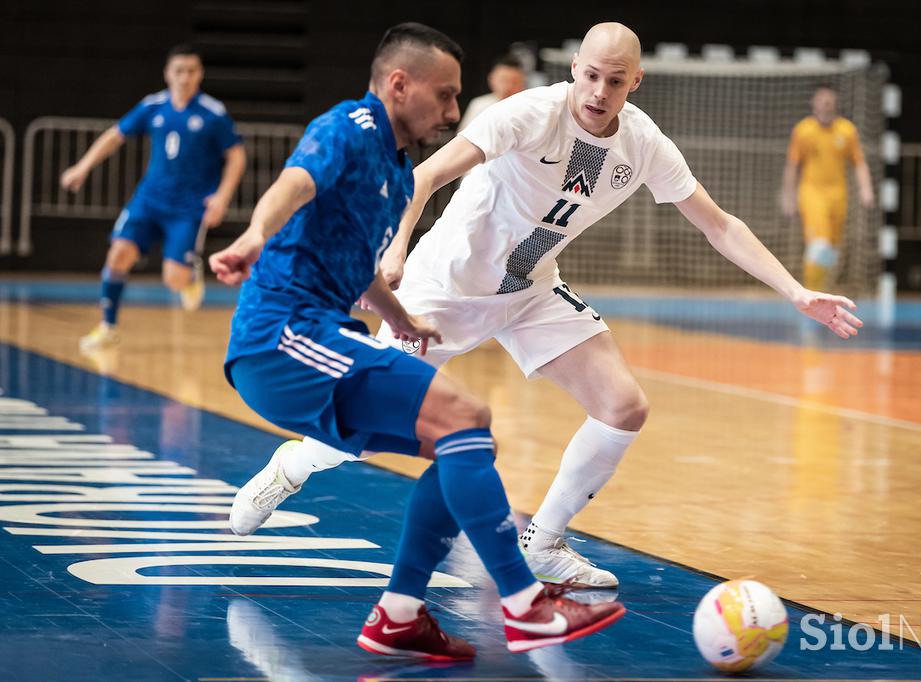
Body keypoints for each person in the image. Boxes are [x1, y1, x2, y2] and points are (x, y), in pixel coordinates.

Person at [368, 22, 863, 589]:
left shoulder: (644, 143)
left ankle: (545, 540)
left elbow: (720, 226)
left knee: (623, 405)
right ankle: (290, 468)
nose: (600, 92)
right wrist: (395, 249)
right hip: (445, 287)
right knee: (363, 426)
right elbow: (425, 175)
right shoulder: (528, 113)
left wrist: (796, 292)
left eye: (617, 81)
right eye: (593, 76)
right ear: (574, 68)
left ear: (637, 82)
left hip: (528, 290)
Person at [209, 22, 624, 660]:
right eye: (446, 95)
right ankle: (526, 606)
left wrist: (396, 316)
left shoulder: (397, 176)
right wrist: (253, 235)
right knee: (463, 415)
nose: (454, 111)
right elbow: (296, 183)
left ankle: (399, 615)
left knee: (466, 439)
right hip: (280, 339)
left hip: (325, 334)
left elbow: (357, 266)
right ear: (399, 85)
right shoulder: (353, 127)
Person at [62, 44, 246, 352]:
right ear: (167, 74)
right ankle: (108, 326)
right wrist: (82, 167)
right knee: (118, 255)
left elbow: (236, 156)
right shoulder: (153, 106)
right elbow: (114, 135)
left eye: (190, 71)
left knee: (173, 280)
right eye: (178, 71)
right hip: (148, 201)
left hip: (187, 208)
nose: (184, 78)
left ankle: (189, 276)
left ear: (199, 74)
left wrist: (221, 198)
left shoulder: (213, 114)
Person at [782, 84, 876, 290]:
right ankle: (809, 294)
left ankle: (820, 290)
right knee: (820, 244)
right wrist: (788, 197)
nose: (826, 106)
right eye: (822, 101)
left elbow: (859, 163)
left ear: (835, 105)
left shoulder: (847, 131)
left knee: (831, 250)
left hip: (838, 196)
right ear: (813, 104)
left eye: (829, 102)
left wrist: (866, 189)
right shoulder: (803, 131)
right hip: (812, 193)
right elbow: (792, 166)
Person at [457, 54, 527, 131]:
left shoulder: (528, 107)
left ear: (523, 83)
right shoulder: (479, 104)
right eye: (503, 80)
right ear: (491, 79)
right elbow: (463, 135)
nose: (508, 86)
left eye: (514, 82)